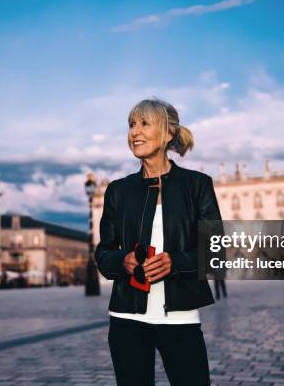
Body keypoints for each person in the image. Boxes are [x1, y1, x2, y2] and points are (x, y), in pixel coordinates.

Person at [95, 98, 222, 386]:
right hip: (126, 319)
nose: (134, 132)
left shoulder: (197, 185)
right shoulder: (118, 191)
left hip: (180, 318)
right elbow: (104, 252)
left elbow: (216, 250)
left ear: (168, 134)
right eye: (131, 125)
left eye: (144, 123)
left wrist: (174, 262)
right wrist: (122, 260)